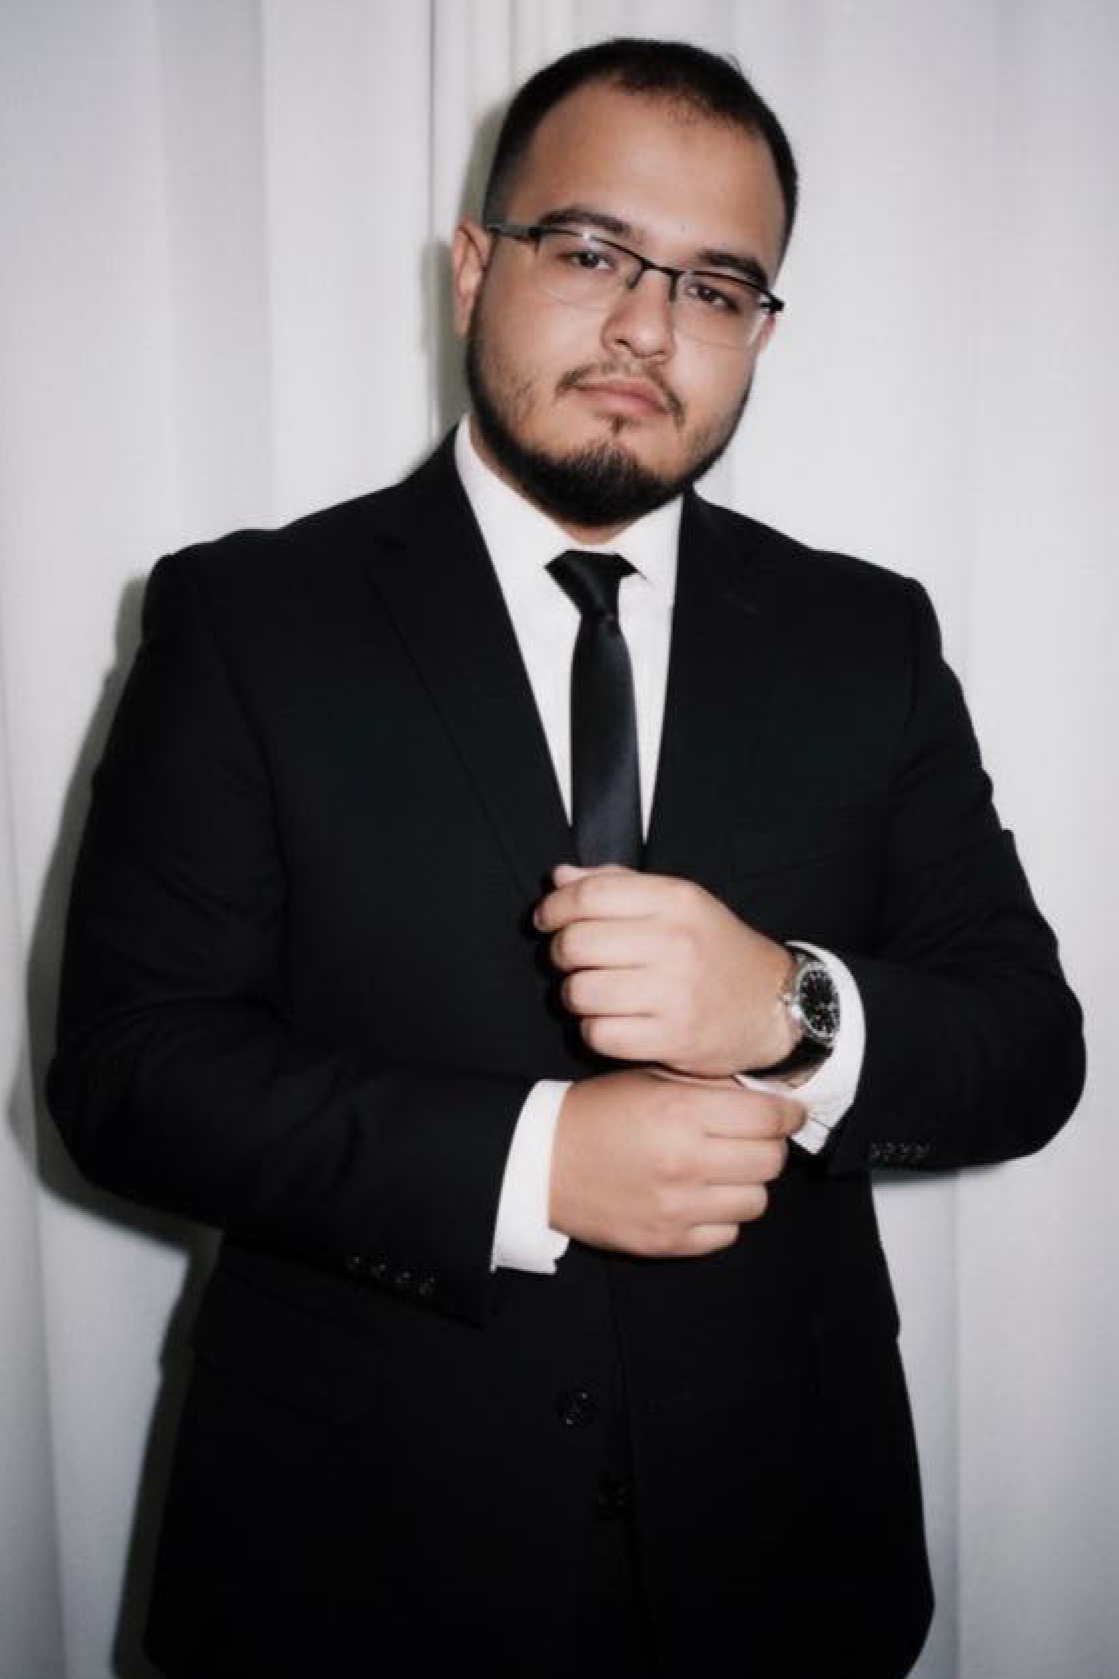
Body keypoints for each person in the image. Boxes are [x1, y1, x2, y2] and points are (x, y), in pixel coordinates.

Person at [47, 36, 1084, 1679]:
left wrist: (787, 1009)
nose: (645, 330)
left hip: (786, 1559)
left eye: (718, 287)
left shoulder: (863, 635)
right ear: (474, 265)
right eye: (590, 251)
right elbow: (125, 1070)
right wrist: (531, 1165)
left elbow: (1027, 1049)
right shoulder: (247, 619)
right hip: (349, 1564)